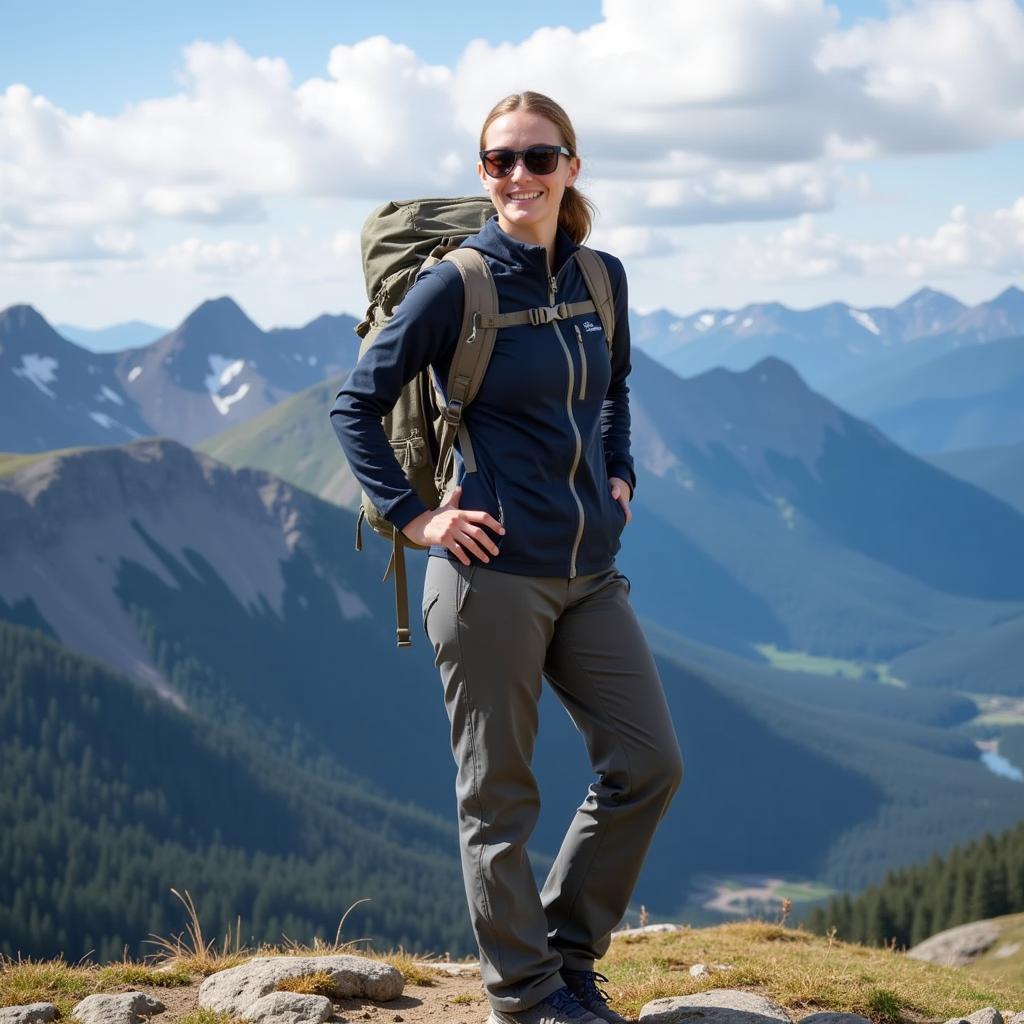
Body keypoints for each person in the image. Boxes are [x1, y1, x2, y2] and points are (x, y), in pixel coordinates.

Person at [330, 91, 684, 1024]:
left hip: (589, 572)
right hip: (489, 577)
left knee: (649, 764)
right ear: (482, 172)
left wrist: (620, 471)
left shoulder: (600, 277)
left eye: (538, 158)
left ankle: (566, 958)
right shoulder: (456, 283)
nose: (518, 177)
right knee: (499, 799)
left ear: (573, 165)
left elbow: (615, 386)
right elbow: (354, 406)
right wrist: (415, 519)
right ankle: (523, 997)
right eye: (498, 161)